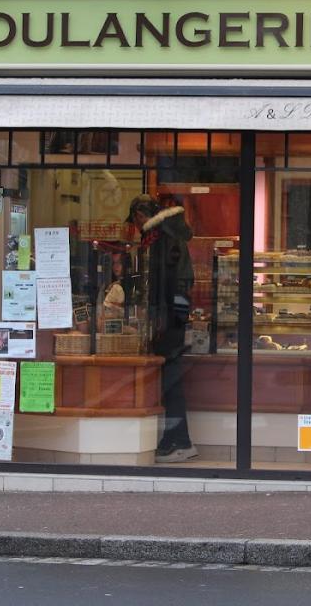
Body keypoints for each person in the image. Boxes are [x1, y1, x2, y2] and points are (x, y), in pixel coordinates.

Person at [128, 193, 198, 464]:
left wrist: (161, 318)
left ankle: (178, 441)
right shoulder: (166, 235)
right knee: (170, 377)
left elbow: (169, 283)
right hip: (173, 316)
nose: (136, 227)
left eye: (135, 221)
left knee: (171, 378)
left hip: (170, 318)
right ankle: (174, 439)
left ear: (140, 216)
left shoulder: (162, 239)